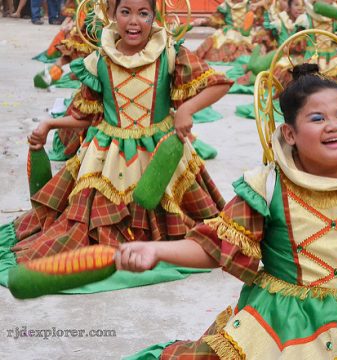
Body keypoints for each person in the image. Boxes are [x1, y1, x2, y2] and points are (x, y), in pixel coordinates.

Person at [117, 64, 337, 359]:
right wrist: (156, 250)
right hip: (281, 325)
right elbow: (215, 248)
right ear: (290, 133)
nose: (334, 124)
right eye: (318, 118)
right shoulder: (266, 186)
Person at [0, 0, 233, 264]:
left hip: (160, 152)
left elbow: (219, 84)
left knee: (196, 228)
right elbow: (86, 115)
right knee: (88, 227)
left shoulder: (169, 53)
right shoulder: (99, 59)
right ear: (112, 14)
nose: (134, 21)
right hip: (106, 156)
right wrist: (49, 124)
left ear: (154, 17)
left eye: (143, 13)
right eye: (126, 12)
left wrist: (186, 109)